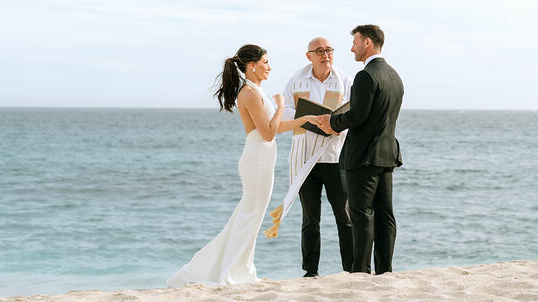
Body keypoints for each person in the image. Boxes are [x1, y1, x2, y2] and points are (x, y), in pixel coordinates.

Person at [167, 44, 312, 287]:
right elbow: (267, 133)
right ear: (252, 65)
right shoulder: (250, 93)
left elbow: (273, 128)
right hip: (257, 159)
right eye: (266, 62)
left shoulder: (256, 90)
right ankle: (231, 271)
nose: (269, 67)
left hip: (262, 158)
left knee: (251, 215)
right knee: (250, 215)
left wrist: (304, 120)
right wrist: (281, 107)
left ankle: (242, 268)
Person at [314, 25, 403, 275]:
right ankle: (385, 270)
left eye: (354, 42)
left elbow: (358, 116)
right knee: (386, 214)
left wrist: (331, 123)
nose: (351, 48)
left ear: (367, 42)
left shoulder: (366, 75)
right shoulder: (394, 75)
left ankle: (360, 272)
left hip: (363, 156)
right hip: (387, 154)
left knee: (361, 213)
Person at [281, 37, 353, 277]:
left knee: (344, 217)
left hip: (335, 158)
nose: (326, 55)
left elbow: (353, 112)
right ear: (309, 56)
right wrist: (309, 118)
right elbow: (285, 112)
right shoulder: (296, 79)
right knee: (310, 219)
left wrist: (335, 122)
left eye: (330, 50)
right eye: (320, 51)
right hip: (306, 158)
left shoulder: (343, 80)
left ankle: (351, 268)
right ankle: (311, 271)